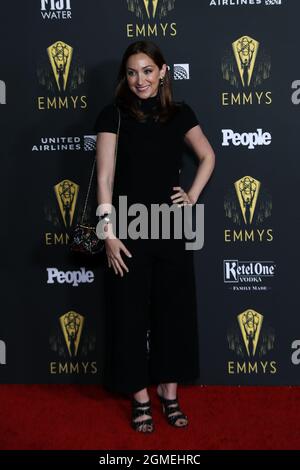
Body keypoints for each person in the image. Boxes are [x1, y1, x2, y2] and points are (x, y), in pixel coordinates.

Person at [94, 40, 215, 433]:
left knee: (173, 314)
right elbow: (105, 179)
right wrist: (107, 234)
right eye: (132, 72)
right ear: (124, 77)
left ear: (163, 72)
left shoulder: (180, 114)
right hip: (127, 230)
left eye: (147, 70)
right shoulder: (112, 115)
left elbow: (208, 156)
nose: (140, 80)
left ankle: (169, 393)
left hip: (171, 228)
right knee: (128, 316)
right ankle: (140, 397)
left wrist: (192, 196)